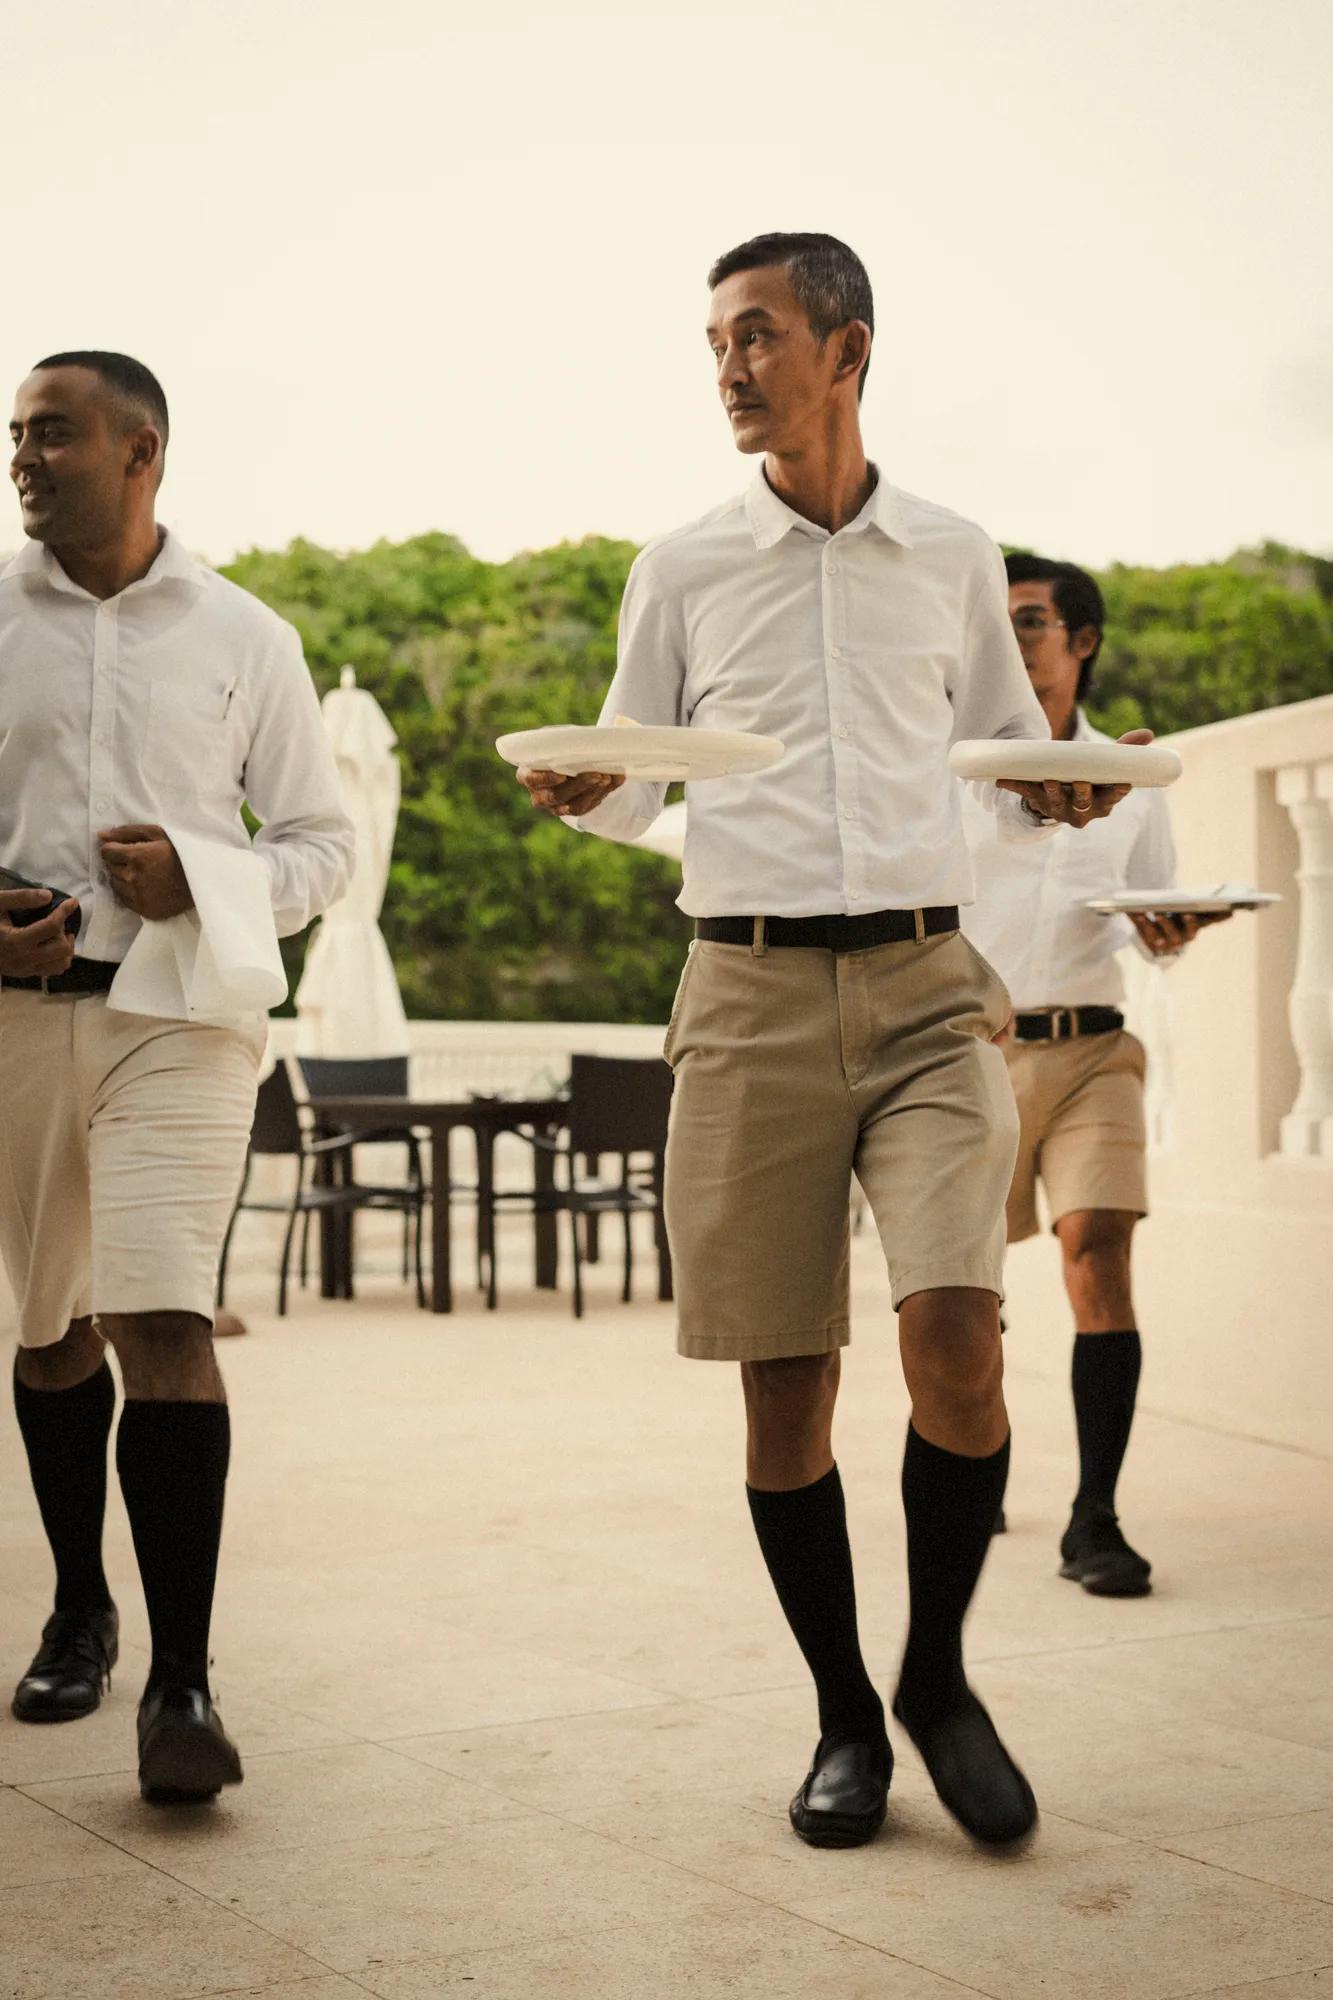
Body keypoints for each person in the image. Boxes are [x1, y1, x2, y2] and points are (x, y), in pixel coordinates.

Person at [517, 234, 1142, 1850]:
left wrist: (1065, 782)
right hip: (742, 999)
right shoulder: (678, 568)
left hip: (934, 993)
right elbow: (641, 775)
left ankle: (934, 1678)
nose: (726, 367)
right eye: (712, 343)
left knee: (956, 1342)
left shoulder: (948, 553)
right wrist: (595, 791)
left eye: (754, 335)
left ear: (844, 350)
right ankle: (841, 1716)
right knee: (783, 1393)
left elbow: (1004, 749)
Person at [1, 352, 354, 1800]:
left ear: (141, 451)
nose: (24, 458)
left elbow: (326, 848)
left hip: (181, 1021)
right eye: (16, 436)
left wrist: (202, 876)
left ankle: (183, 1684)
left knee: (160, 1313)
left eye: (53, 435)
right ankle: (82, 1599)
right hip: (18, 1027)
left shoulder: (243, 634)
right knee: (46, 1331)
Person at [962, 552, 1228, 1596]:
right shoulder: (956, 764)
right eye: (1000, 621)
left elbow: (1149, 919)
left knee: (1097, 1247)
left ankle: (1094, 1518)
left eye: (1029, 620)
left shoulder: (1131, 778)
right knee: (961, 1299)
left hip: (1091, 1050)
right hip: (967, 1054)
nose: (1012, 637)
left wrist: (1170, 929)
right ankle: (971, 1467)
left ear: (1082, 640)